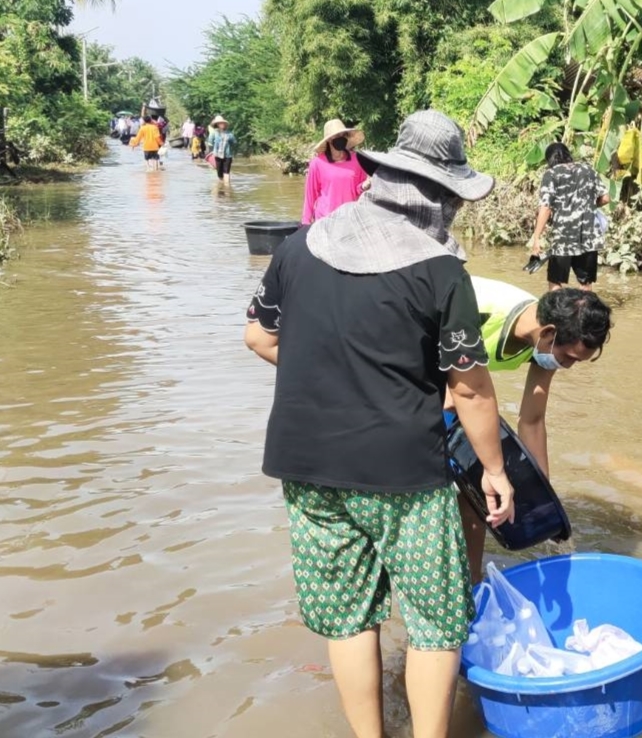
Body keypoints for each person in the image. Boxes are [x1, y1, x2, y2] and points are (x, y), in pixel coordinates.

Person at [243, 109, 513, 738]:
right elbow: (470, 390)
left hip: (306, 467)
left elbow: (258, 336)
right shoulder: (442, 270)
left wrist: (332, 369)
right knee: (435, 620)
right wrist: (495, 470)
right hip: (404, 477)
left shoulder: (297, 248)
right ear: (440, 195)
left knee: (347, 617)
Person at [447, 277, 613, 583]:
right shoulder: (475, 312)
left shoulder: (544, 342)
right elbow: (452, 396)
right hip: (412, 355)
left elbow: (532, 420)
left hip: (461, 385)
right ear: (549, 333)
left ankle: (471, 586)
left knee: (479, 496)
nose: (568, 366)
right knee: (447, 483)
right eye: (569, 358)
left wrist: (541, 497)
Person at [528, 143, 610, 292]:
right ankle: (584, 314)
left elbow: (545, 207)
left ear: (550, 159)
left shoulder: (551, 174)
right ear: (568, 154)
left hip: (563, 238)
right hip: (589, 238)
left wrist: (536, 238)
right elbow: (605, 198)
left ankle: (557, 314)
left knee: (555, 282)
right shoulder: (588, 170)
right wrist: (588, 208)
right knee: (585, 283)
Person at [301, 119, 370, 224]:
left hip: (349, 219)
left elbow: (357, 190)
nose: (340, 138)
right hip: (325, 220)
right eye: (336, 136)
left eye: (343, 135)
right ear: (329, 140)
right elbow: (310, 194)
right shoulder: (317, 163)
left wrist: (364, 186)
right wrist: (305, 222)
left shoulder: (357, 160)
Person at [209, 115, 236, 186]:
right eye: (220, 123)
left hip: (227, 155)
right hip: (217, 155)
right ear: (217, 124)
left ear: (225, 124)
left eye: (222, 123)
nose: (222, 124)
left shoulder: (229, 133)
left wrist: (231, 142)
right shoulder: (214, 133)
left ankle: (227, 188)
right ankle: (221, 187)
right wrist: (211, 152)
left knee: (226, 172)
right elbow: (210, 142)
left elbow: (234, 142)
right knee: (219, 173)